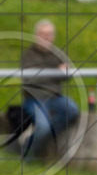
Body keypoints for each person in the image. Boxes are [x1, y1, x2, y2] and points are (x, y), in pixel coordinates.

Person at [20, 20, 81, 160]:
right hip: (34, 99)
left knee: (72, 110)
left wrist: (56, 73)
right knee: (43, 126)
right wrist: (55, 72)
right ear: (36, 35)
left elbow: (67, 75)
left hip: (55, 97)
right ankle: (27, 152)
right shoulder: (29, 55)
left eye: (49, 34)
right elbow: (32, 79)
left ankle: (39, 138)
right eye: (43, 34)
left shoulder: (57, 53)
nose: (46, 37)